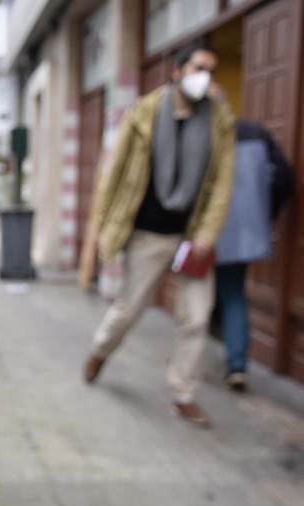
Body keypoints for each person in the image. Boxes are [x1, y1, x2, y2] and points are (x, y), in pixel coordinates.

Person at [82, 41, 236, 427]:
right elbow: (114, 175)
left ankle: (184, 393)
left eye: (211, 71)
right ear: (177, 71)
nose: (206, 77)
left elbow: (221, 184)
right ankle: (101, 350)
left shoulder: (219, 121)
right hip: (148, 234)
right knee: (129, 309)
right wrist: (103, 225)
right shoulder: (145, 114)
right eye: (199, 68)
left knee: (197, 318)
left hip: (191, 238)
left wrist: (206, 234)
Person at [215, 119, 292, 391]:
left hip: (206, 232)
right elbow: (283, 175)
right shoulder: (255, 133)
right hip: (243, 231)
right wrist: (262, 213)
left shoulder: (204, 132)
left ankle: (187, 359)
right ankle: (237, 364)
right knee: (233, 293)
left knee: (200, 294)